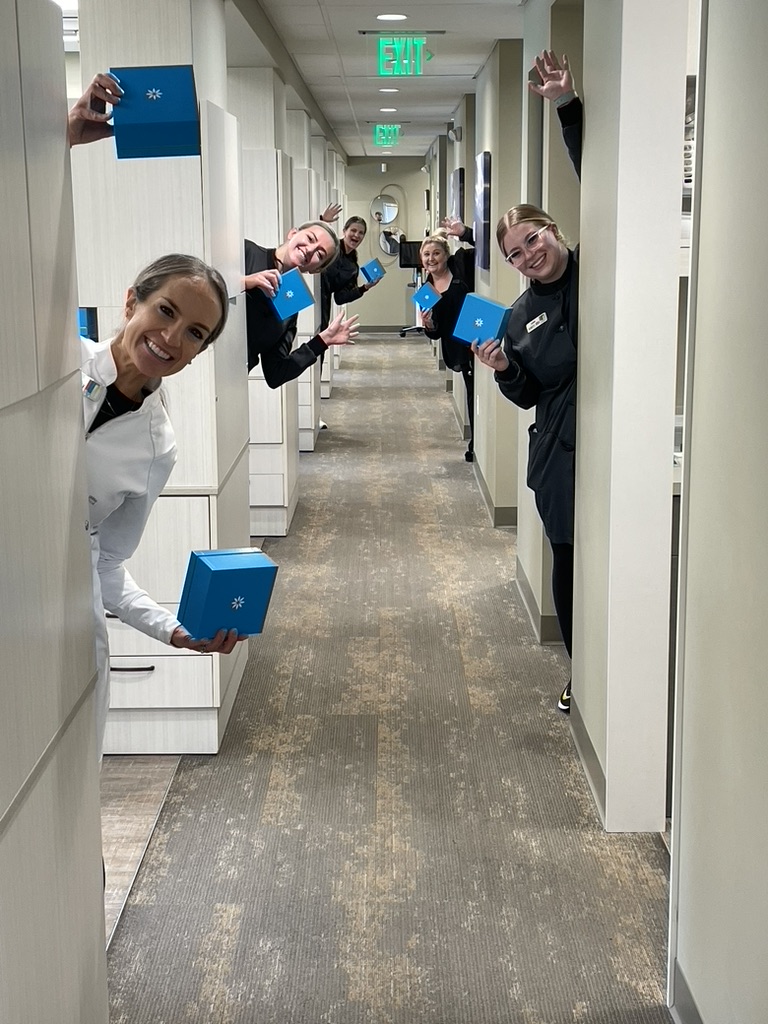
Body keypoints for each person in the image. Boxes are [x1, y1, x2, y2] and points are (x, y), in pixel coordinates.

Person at [82, 254, 245, 753]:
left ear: (199, 354)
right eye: (166, 311)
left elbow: (105, 562)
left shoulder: (156, 446)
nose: (172, 339)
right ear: (132, 301)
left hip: (55, 630)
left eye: (196, 333)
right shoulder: (50, 365)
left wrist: (174, 630)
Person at [473, 50, 582, 715]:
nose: (526, 255)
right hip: (560, 456)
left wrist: (567, 108)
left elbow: (605, 175)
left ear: (551, 226)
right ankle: (582, 670)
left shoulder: (601, 271)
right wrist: (507, 367)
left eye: (532, 239)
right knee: (570, 565)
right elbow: (527, 392)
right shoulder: (517, 314)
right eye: (514, 254)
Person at [244, 222, 359, 387]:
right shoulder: (247, 253)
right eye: (310, 238)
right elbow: (197, 285)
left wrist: (322, 341)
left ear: (316, 270)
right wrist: (244, 282)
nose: (310, 249)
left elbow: (276, 374)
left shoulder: (290, 306)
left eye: (320, 254)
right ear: (292, 233)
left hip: (230, 383)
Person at [418, 230, 475, 462]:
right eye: (426, 255)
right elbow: (435, 333)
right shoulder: (426, 290)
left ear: (446, 254)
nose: (431, 259)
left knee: (477, 392)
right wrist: (429, 324)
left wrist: (465, 232)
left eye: (436, 253)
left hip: (478, 337)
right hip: (457, 348)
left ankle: (475, 443)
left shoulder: (461, 263)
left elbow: (485, 245)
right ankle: (476, 442)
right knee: (473, 393)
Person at [319, 216, 380, 334]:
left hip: (323, 307)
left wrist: (365, 287)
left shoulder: (352, 267)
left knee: (319, 342)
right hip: (308, 296)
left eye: (361, 233)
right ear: (344, 231)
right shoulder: (331, 247)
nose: (356, 235)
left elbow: (340, 298)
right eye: (353, 230)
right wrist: (323, 220)